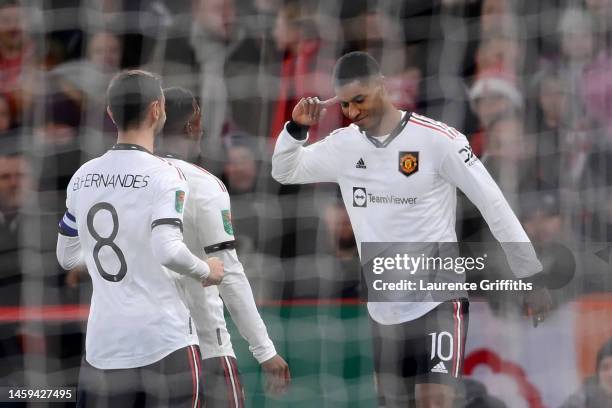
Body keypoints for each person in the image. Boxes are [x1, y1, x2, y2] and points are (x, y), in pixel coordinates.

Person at [271, 51, 552, 408]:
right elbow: (285, 171)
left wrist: (530, 273)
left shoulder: (438, 140)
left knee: (436, 402)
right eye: (345, 105)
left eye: (360, 99)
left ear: (381, 86)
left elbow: (492, 202)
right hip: (384, 308)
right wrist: (296, 130)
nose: (354, 112)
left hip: (438, 298)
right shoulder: (343, 146)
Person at [55, 70, 224, 406]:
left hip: (103, 348)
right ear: (157, 110)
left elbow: (67, 257)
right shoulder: (165, 175)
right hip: (163, 343)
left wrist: (109, 257)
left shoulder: (83, 176)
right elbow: (167, 249)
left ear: (110, 113)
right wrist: (208, 270)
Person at [158, 86, 290, 406]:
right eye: (200, 120)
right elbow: (229, 273)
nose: (203, 130)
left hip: (135, 350)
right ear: (191, 126)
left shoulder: (128, 178)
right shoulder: (202, 183)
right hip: (203, 347)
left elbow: (71, 255)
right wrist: (265, 350)